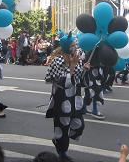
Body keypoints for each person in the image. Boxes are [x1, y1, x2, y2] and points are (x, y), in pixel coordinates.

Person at [45, 32, 89, 162]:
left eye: (76, 44)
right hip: (62, 98)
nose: (75, 47)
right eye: (73, 45)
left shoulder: (77, 58)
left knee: (79, 125)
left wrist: (84, 69)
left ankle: (59, 140)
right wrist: (73, 65)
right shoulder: (58, 61)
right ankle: (62, 152)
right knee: (63, 127)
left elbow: (78, 80)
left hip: (75, 98)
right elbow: (64, 83)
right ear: (66, 46)